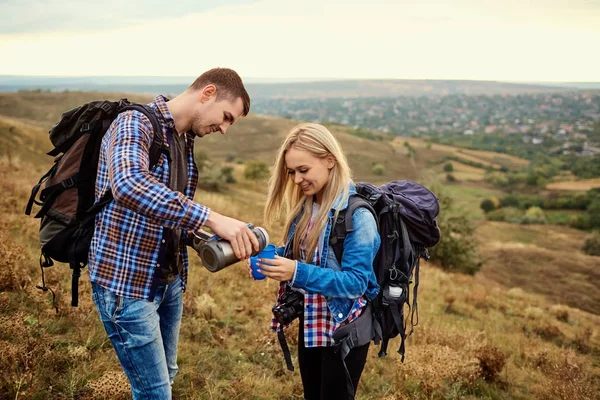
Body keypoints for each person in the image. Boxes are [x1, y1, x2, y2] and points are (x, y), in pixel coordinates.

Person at [88, 68, 260, 399]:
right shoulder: (134, 123)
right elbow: (128, 184)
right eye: (226, 117)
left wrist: (206, 240)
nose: (224, 129)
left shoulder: (182, 140)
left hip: (168, 283)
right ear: (207, 93)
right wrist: (212, 217)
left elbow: (168, 209)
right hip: (127, 286)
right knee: (154, 392)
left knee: (167, 376)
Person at [254, 123, 381, 400]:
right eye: (291, 172)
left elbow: (356, 283)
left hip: (343, 331)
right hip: (312, 324)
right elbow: (299, 259)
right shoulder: (305, 208)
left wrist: (296, 272)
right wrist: (271, 259)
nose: (297, 180)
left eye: (303, 170)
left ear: (329, 161)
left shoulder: (358, 217)